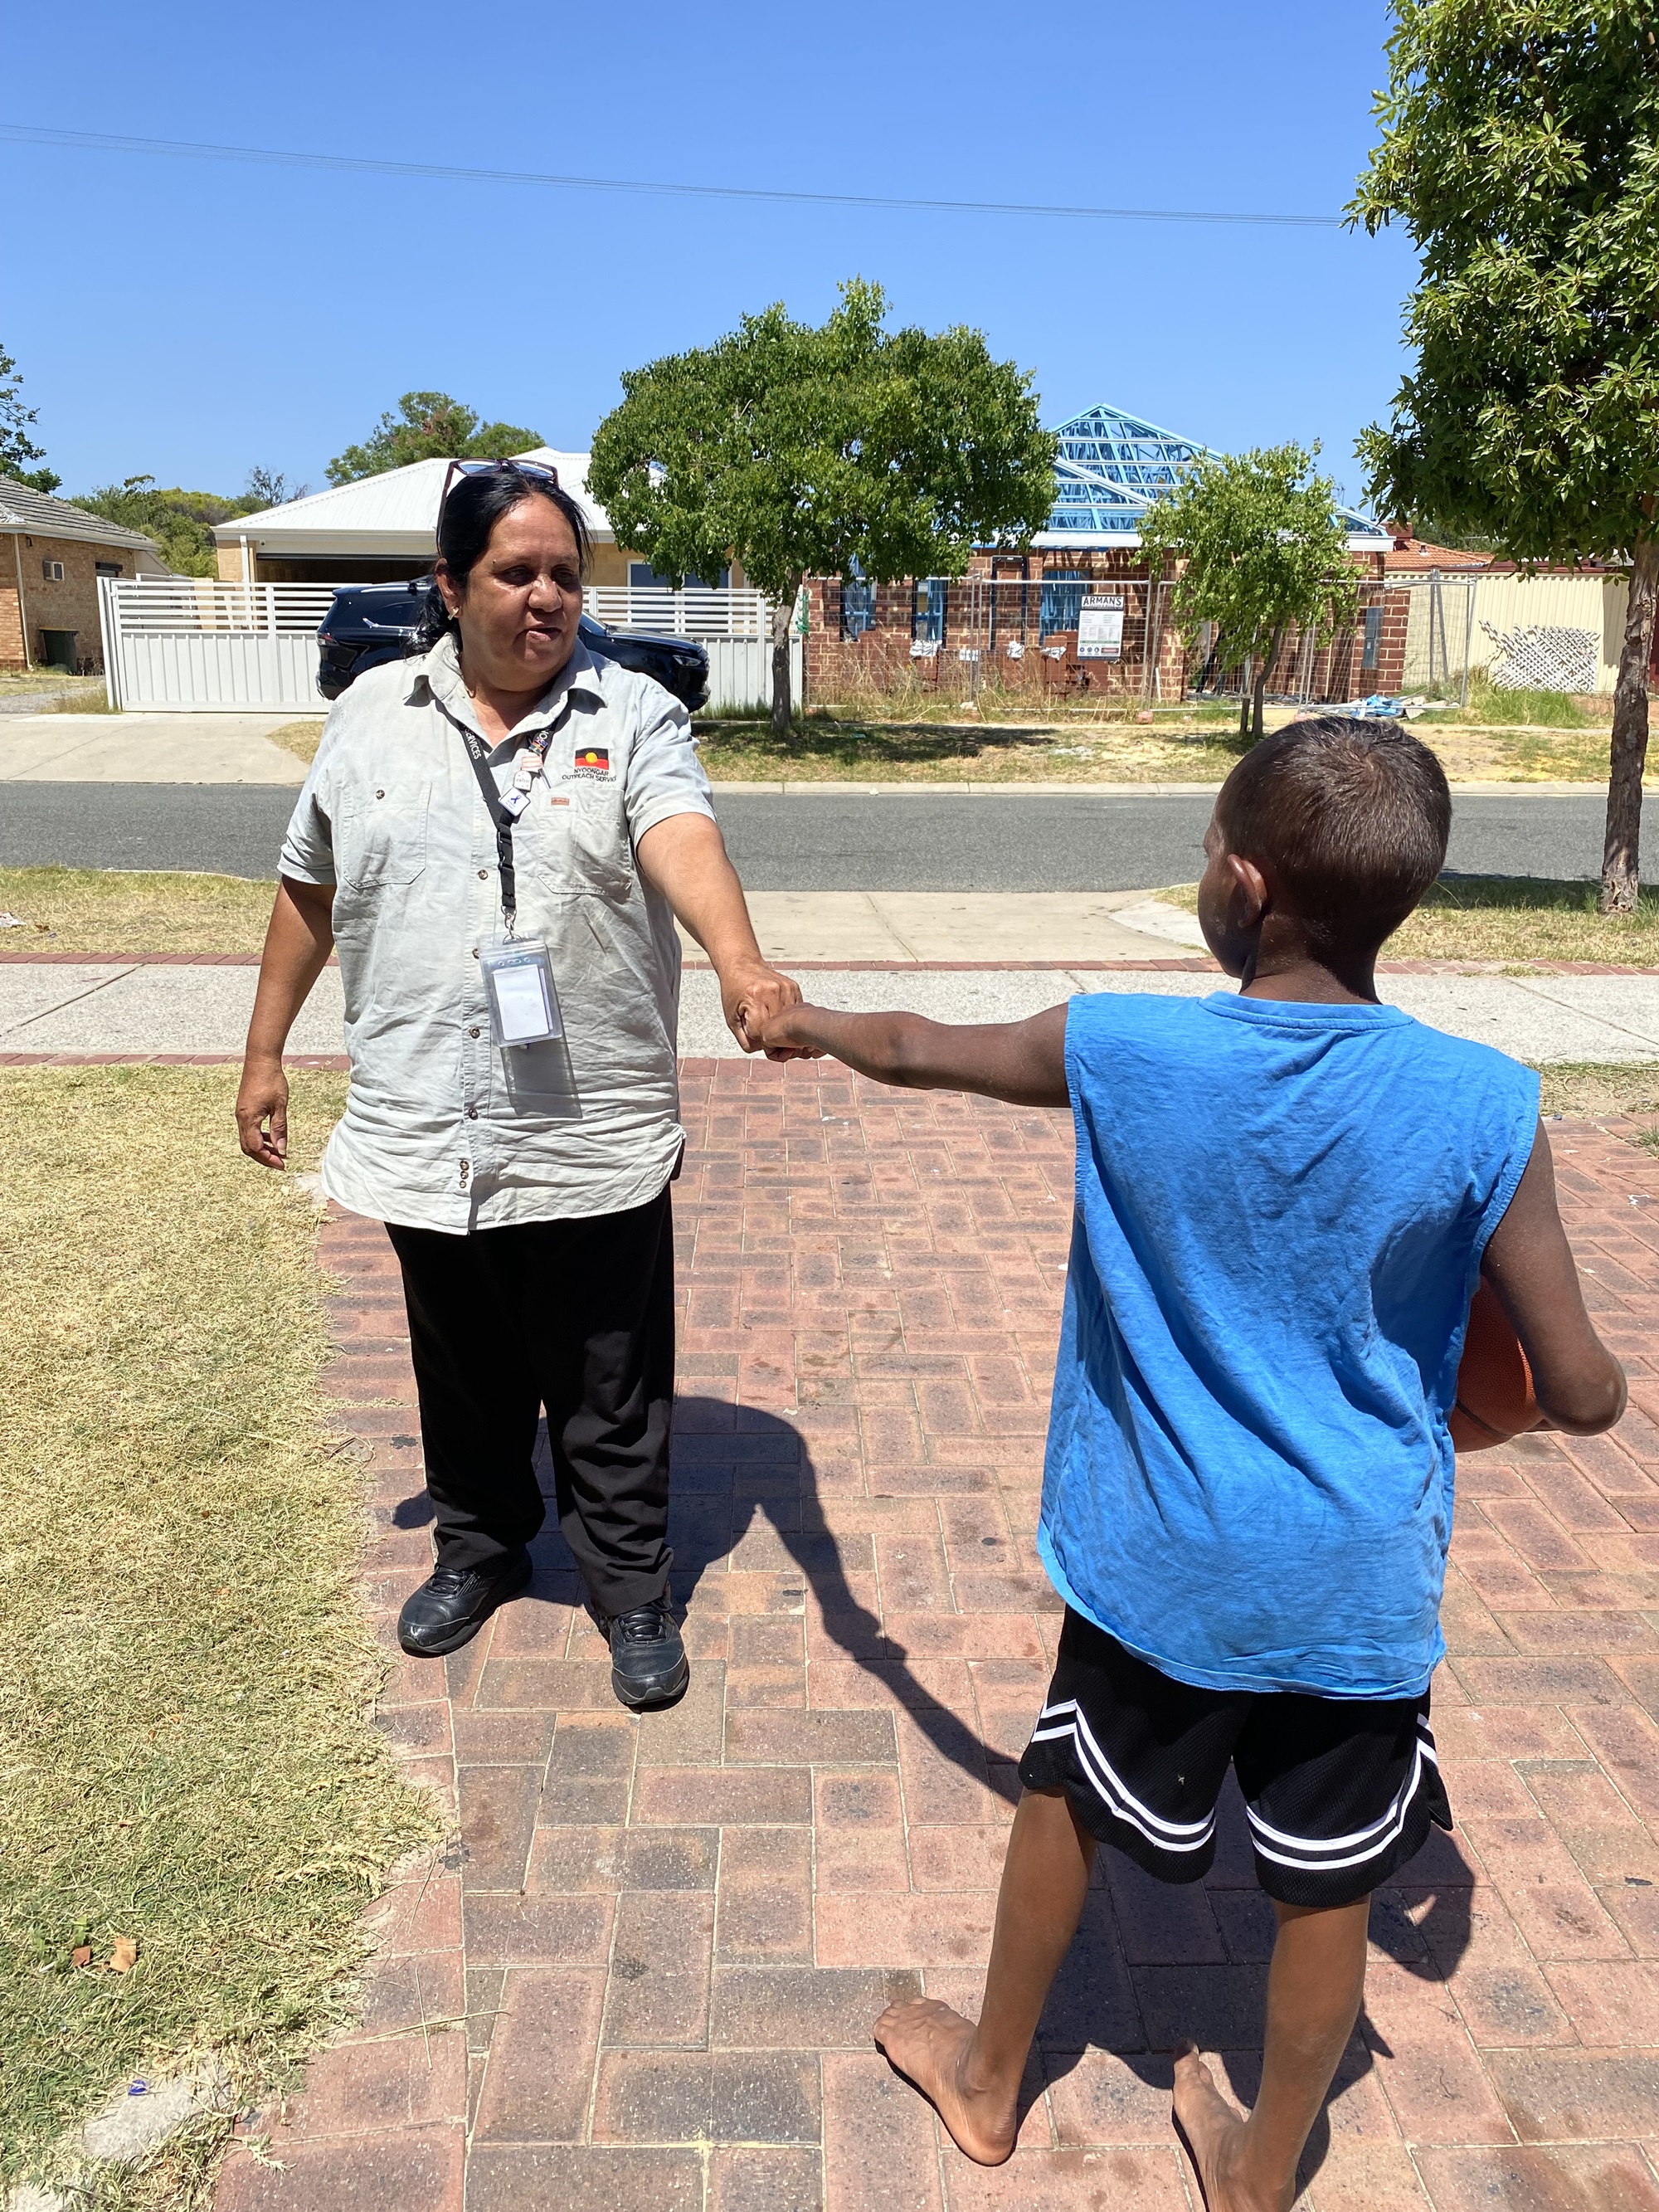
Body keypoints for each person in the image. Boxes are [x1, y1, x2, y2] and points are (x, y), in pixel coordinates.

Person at [757, 718, 1626, 2208]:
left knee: (1068, 1795)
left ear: (1242, 880)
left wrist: (803, 1017)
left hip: (1162, 1559)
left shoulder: (1125, 1046)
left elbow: (915, 1051)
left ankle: (984, 2086)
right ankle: (1263, 2170)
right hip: (1353, 1574)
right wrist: (1494, 1410)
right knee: (1328, 1883)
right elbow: (1588, 1388)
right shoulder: (1490, 1101)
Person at [236, 460, 807, 1708]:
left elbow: (680, 833)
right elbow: (308, 887)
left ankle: (632, 1588)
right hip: (424, 1112)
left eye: (565, 573)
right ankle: (480, 1550)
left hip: (589, 1117)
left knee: (608, 1378)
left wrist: (741, 958)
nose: (546, 596)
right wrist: (264, 1049)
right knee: (463, 1365)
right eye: (515, 571)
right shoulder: (370, 716)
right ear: (449, 586)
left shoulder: (632, 712)